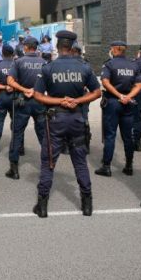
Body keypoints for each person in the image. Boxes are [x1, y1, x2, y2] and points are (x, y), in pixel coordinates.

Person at [32, 30, 101, 217]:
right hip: (77, 118)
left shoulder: (49, 68)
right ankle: (87, 205)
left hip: (55, 120)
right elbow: (97, 92)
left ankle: (42, 206)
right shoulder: (84, 67)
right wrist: (77, 101)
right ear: (71, 47)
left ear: (57, 46)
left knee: (48, 162)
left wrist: (58, 101)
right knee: (80, 161)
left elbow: (37, 95)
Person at [96, 41, 141, 177]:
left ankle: (106, 166)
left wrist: (119, 95)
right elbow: (139, 85)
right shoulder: (134, 64)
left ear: (115, 49)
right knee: (127, 136)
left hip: (113, 102)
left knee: (110, 135)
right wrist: (128, 97)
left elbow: (105, 82)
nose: (110, 50)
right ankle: (129, 165)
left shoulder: (109, 64)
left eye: (111, 48)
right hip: (128, 103)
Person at [5, 36, 47, 179]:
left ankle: (14, 169)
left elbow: (9, 81)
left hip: (22, 101)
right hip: (39, 101)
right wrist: (35, 91)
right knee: (43, 134)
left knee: (17, 134)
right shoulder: (44, 62)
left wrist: (24, 89)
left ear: (27, 47)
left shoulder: (18, 62)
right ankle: (47, 166)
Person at [0, 44, 16, 157]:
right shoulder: (17, 66)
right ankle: (18, 147)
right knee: (16, 123)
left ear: (2, 53)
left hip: (0, 97)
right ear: (13, 53)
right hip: (14, 97)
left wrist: (4, 87)